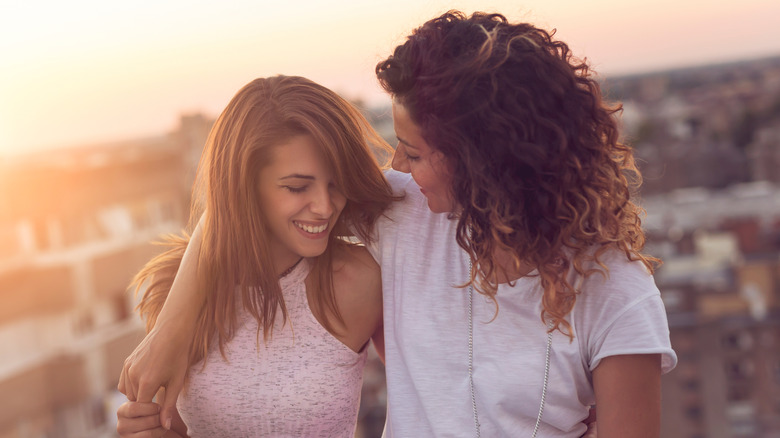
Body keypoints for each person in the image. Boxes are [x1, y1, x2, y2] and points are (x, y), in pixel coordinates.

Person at [119, 11, 676, 438]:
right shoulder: (408, 215)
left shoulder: (618, 295)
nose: (395, 168)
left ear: (483, 162)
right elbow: (236, 199)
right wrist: (166, 336)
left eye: (411, 152)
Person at [115, 75, 396, 437]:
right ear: (246, 186)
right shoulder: (179, 287)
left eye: (336, 182)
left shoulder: (360, 281)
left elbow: (431, 399)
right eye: (297, 187)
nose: (325, 207)